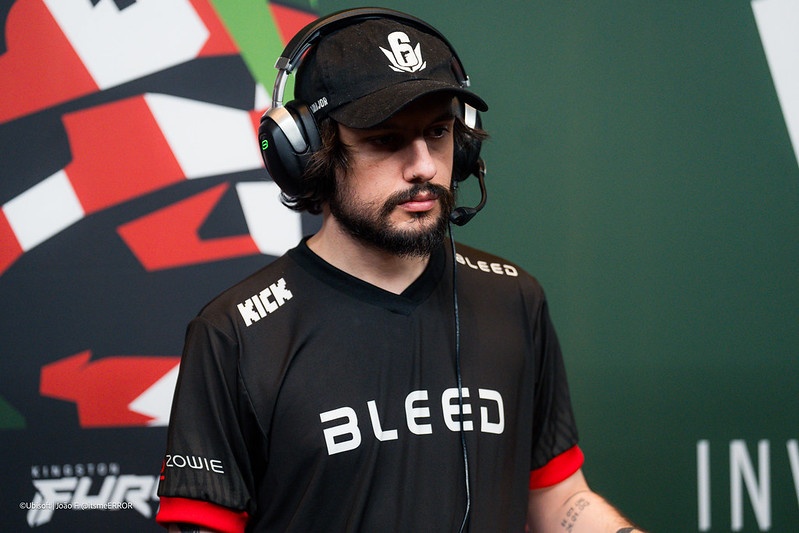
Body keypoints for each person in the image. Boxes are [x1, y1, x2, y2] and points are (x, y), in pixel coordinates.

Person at [156, 8, 645, 533]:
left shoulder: (514, 299)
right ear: (312, 153)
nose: (425, 166)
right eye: (385, 140)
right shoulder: (236, 335)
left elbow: (558, 497)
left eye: (438, 132)